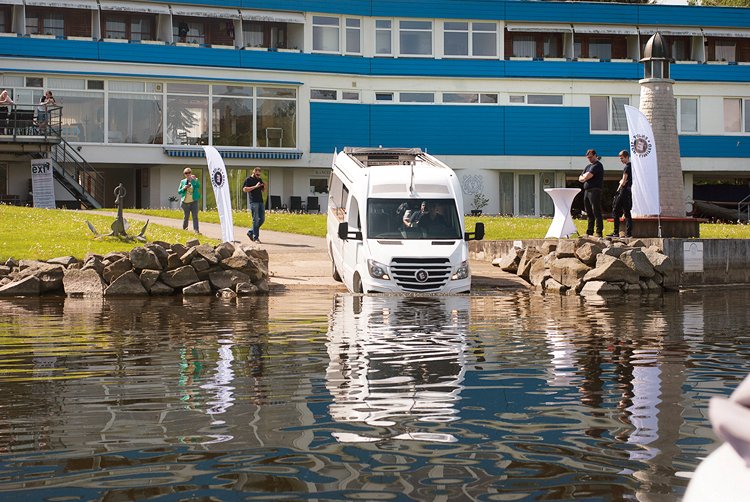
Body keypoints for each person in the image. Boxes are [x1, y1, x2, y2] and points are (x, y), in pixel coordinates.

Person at [578, 149, 604, 238]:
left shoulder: (597, 165)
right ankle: (589, 232)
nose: (589, 159)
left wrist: (585, 177)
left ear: (595, 155)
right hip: (587, 191)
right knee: (589, 212)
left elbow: (588, 176)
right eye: (588, 157)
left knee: (596, 211)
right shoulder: (588, 166)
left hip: (595, 190)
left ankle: (599, 232)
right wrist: (585, 177)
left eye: (590, 157)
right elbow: (580, 178)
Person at [609, 150, 633, 238]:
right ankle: (629, 233)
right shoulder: (632, 167)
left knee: (615, 210)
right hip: (628, 191)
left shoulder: (627, 167)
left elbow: (623, 181)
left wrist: (619, 185)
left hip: (623, 191)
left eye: (622, 158)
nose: (621, 160)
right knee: (627, 212)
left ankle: (616, 232)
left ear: (626, 157)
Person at [243, 167, 265, 242]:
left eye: (259, 174)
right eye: (257, 174)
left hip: (260, 201)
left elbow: (263, 190)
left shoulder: (259, 179)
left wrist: (264, 186)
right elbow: (245, 189)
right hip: (253, 201)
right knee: (255, 219)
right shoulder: (248, 179)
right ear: (254, 172)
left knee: (262, 219)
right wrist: (255, 186)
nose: (258, 176)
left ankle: (251, 232)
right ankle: (256, 238)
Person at [178, 167, 200, 233]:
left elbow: (197, 186)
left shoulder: (195, 179)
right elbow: (179, 191)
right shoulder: (182, 182)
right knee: (186, 216)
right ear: (184, 174)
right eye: (186, 173)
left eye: (189, 172)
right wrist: (184, 188)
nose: (188, 174)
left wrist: (193, 180)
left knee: (195, 216)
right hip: (185, 202)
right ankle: (185, 230)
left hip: (194, 201)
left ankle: (196, 231)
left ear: (191, 173)